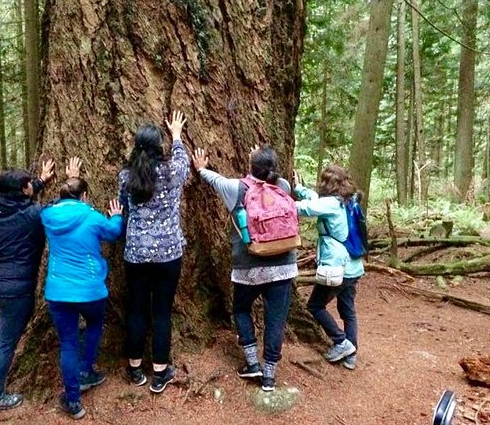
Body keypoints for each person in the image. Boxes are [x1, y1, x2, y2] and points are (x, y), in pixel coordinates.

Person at [192, 145, 298, 392]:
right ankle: (269, 376)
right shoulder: (283, 187)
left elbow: (213, 179)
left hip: (248, 267)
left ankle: (252, 363)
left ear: (251, 168)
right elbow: (274, 177)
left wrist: (200, 168)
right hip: (283, 266)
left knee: (241, 309)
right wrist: (261, 159)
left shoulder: (236, 188)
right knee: (276, 320)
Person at [41, 158, 124, 419]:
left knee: (67, 343)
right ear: (85, 196)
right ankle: (87, 370)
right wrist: (118, 216)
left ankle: (74, 401)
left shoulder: (48, 215)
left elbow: (54, 204)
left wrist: (69, 180)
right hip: (90, 290)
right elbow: (112, 233)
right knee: (95, 326)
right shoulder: (92, 217)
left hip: (58, 291)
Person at [118, 110, 189, 394]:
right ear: (160, 146)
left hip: (136, 253)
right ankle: (160, 371)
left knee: (136, 310)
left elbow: (124, 205)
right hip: (168, 254)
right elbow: (183, 160)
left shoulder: (126, 177)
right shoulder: (172, 171)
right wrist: (176, 135)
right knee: (161, 312)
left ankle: (135, 368)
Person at [0, 159, 56, 415]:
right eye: (28, 185)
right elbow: (57, 207)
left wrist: (41, 181)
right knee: (5, 344)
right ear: (23, 191)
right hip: (15, 290)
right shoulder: (33, 215)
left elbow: (25, 196)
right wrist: (71, 183)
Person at [293, 165, 364, 370]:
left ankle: (342, 342)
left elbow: (306, 208)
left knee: (315, 306)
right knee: (348, 310)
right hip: (354, 266)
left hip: (337, 268)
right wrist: (299, 188)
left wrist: (281, 201)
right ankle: (351, 355)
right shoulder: (349, 200)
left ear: (327, 183)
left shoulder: (332, 203)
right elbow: (316, 201)